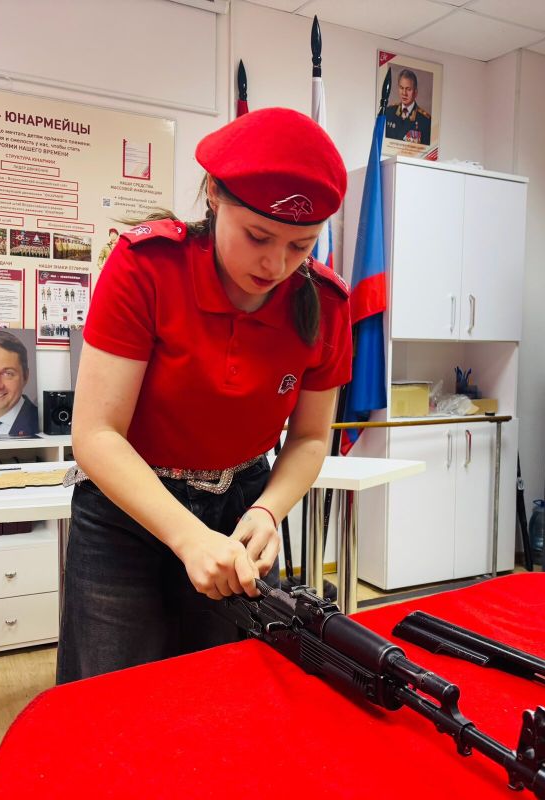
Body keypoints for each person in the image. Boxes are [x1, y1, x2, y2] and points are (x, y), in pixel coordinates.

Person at [56, 107, 352, 684]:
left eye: (301, 246)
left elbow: (312, 438)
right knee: (112, 696)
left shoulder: (326, 303)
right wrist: (188, 537)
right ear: (214, 194)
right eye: (258, 237)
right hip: (128, 510)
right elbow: (95, 434)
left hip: (241, 506)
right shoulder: (145, 267)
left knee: (225, 690)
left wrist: (268, 509)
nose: (276, 264)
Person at [384, 69, 431, 145]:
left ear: (415, 92)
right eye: (401, 88)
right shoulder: (389, 112)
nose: (404, 93)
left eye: (408, 89)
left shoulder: (425, 121)